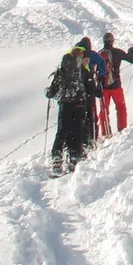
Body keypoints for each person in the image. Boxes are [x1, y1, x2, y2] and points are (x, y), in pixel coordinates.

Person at [46, 38, 100, 175]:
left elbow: (52, 91)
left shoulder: (61, 69)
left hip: (65, 103)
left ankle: (57, 158)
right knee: (77, 131)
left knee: (62, 130)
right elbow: (91, 89)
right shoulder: (83, 69)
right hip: (79, 104)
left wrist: (49, 93)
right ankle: (73, 158)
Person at [96, 31, 133, 138]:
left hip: (103, 87)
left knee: (104, 110)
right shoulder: (118, 52)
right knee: (121, 108)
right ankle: (122, 130)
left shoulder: (99, 54)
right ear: (113, 41)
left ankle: (106, 133)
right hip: (116, 85)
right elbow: (132, 59)